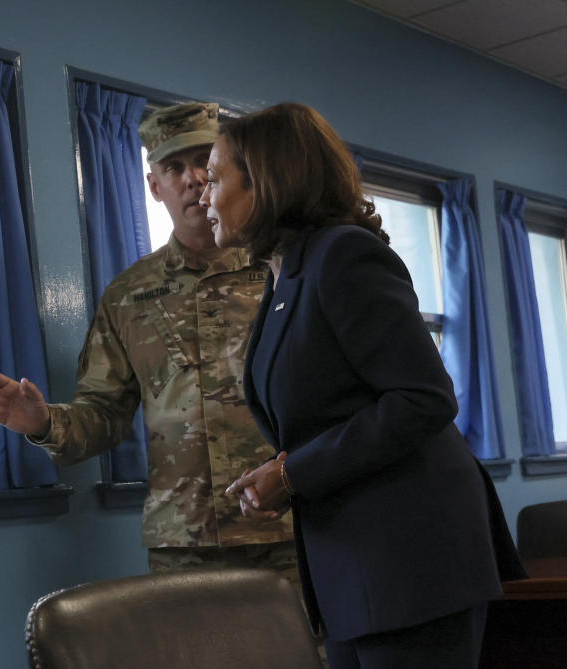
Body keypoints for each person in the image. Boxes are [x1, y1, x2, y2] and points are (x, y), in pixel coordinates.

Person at [202, 102, 526, 668]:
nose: (205, 196)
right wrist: (282, 478)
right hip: (356, 571)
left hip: (412, 566)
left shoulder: (342, 255)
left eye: (214, 178)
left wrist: (291, 473)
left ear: (266, 180)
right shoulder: (287, 275)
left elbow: (423, 398)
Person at [0, 102, 296, 577]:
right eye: (173, 168)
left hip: (285, 527)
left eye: (203, 164)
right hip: (185, 542)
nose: (192, 180)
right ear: (154, 186)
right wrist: (42, 423)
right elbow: (102, 415)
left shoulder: (280, 268)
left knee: (305, 653)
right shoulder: (129, 296)